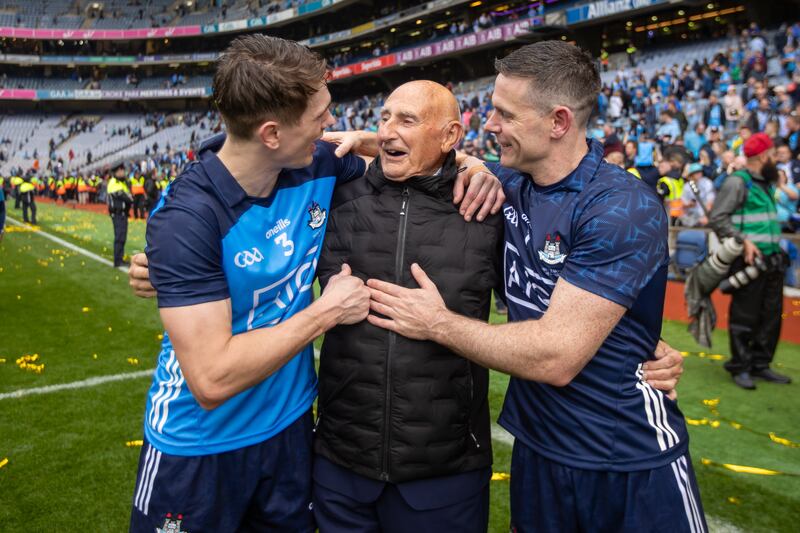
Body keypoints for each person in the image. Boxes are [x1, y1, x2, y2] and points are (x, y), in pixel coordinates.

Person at [126, 35, 503, 533]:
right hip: (199, 444)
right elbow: (211, 380)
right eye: (321, 116)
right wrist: (326, 312)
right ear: (271, 134)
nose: (334, 126)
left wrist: (478, 168)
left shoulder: (317, 165)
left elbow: (411, 160)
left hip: (292, 432)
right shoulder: (187, 216)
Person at [363, 41, 707, 532]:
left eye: (505, 114)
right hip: (538, 449)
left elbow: (556, 357)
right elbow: (430, 152)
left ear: (559, 122)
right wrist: (457, 161)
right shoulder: (506, 184)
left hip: (626, 455)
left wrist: (436, 323)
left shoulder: (620, 206)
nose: (490, 125)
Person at [708, 132, 792, 389]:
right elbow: (718, 218)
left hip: (773, 259)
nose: (775, 160)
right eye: (773, 155)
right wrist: (743, 240)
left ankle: (760, 364)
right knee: (745, 315)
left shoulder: (765, 182)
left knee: (771, 315)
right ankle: (740, 365)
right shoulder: (738, 182)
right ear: (763, 156)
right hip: (749, 261)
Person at [107, 163, 132, 268]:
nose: (123, 172)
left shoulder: (122, 183)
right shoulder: (113, 182)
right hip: (117, 214)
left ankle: (120, 258)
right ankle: (117, 261)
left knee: (122, 237)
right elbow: (127, 197)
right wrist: (129, 197)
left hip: (123, 214)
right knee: (119, 237)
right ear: (117, 172)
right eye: (121, 170)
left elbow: (129, 196)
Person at [680, 162, 715, 227]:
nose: (699, 174)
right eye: (696, 173)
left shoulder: (707, 183)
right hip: (691, 217)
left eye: (700, 172)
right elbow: (683, 203)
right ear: (691, 175)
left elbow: (710, 202)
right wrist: (689, 204)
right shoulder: (687, 186)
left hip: (705, 216)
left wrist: (705, 216)